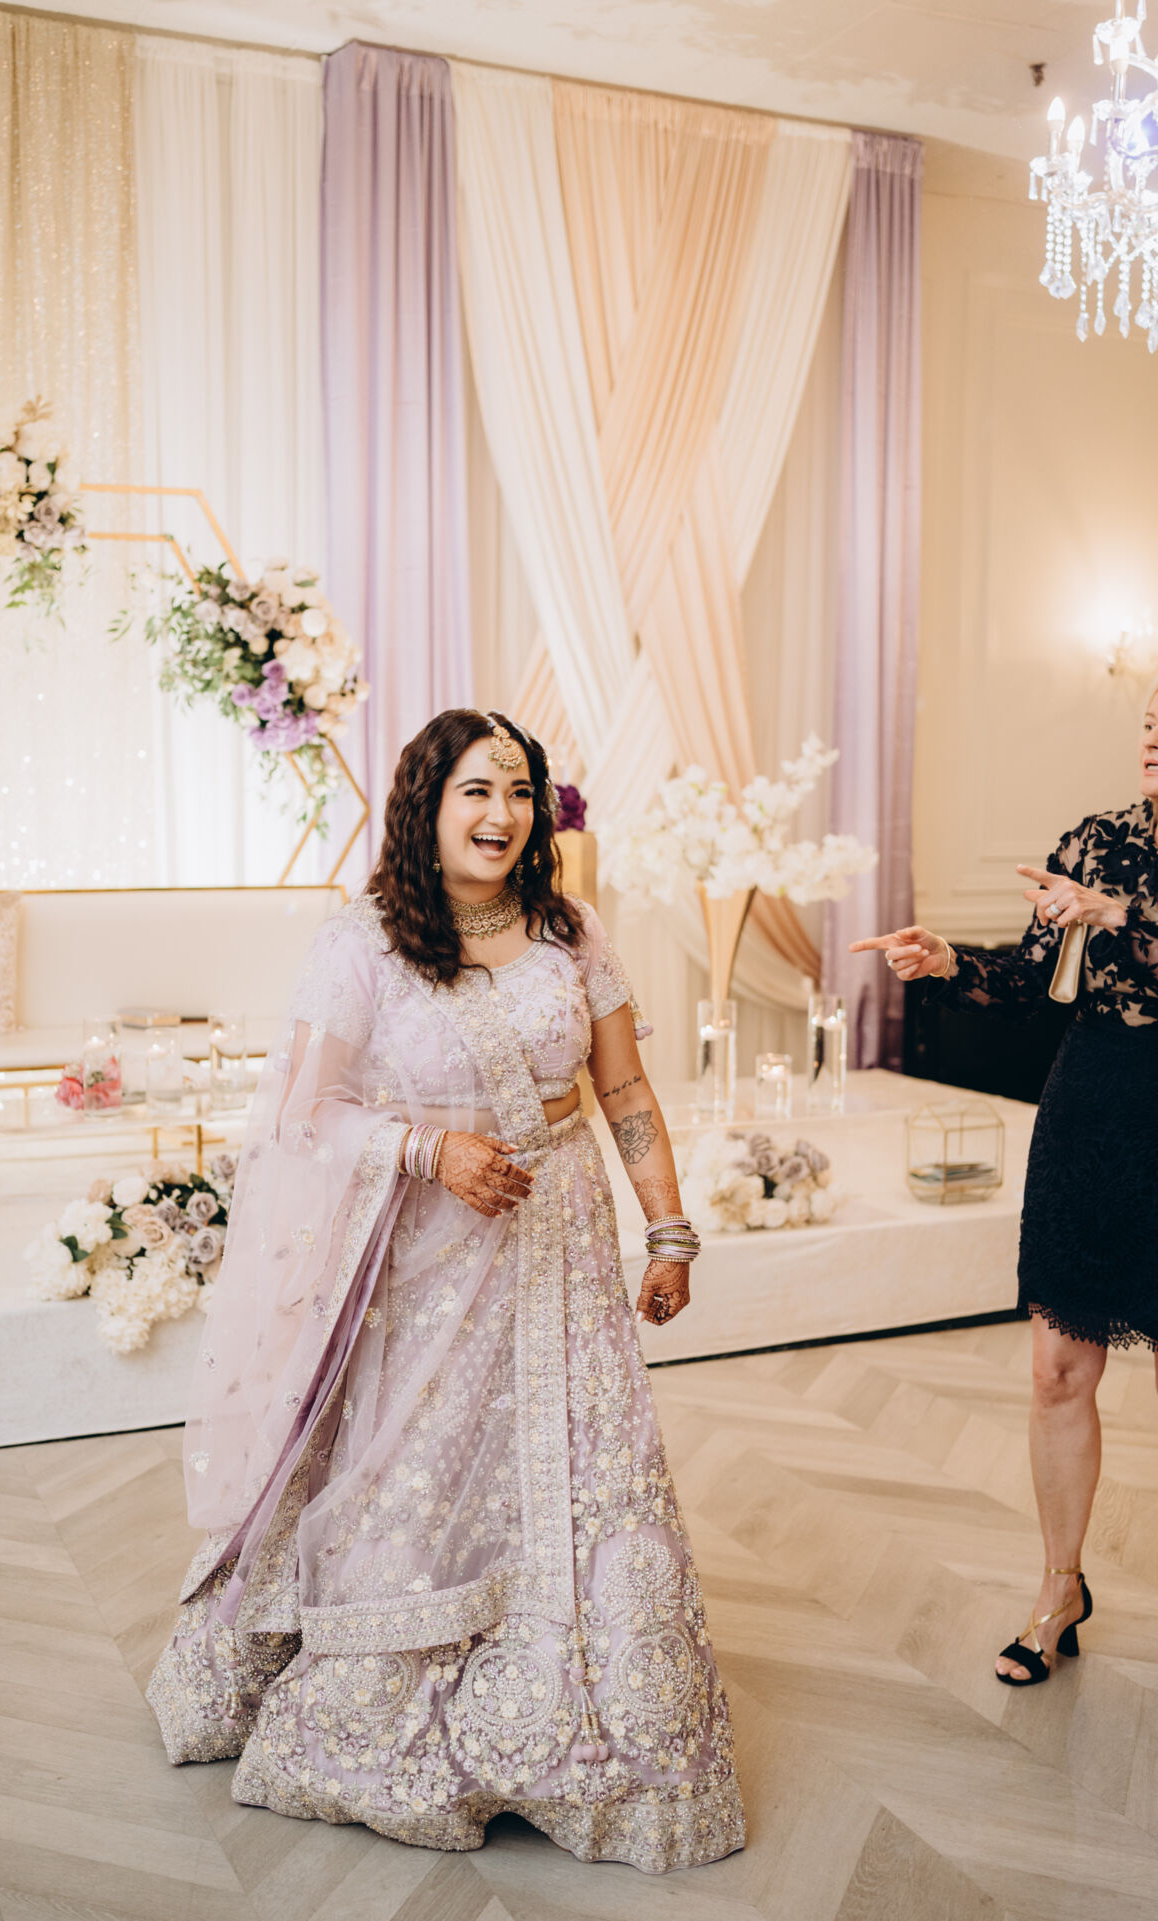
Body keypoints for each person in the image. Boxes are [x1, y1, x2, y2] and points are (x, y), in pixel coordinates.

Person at [147, 708, 744, 1871]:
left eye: (519, 792)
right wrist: (430, 1152)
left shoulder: (570, 930)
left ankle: (588, 1719)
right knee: (419, 1472)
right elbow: (308, 1113)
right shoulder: (364, 945)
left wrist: (667, 1230)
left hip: (563, 1245)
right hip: (427, 1259)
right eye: (476, 790)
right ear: (425, 805)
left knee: (589, 1469)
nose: (501, 814)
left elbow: (623, 1092)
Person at [850, 680, 1158, 1687]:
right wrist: (948, 961)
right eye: (1149, 719)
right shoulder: (1094, 841)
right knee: (1054, 1370)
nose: (1153, 734)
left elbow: (1121, 930)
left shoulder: (1111, 884)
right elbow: (1035, 982)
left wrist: (1118, 913)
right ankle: (1058, 1587)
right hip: (1093, 1115)